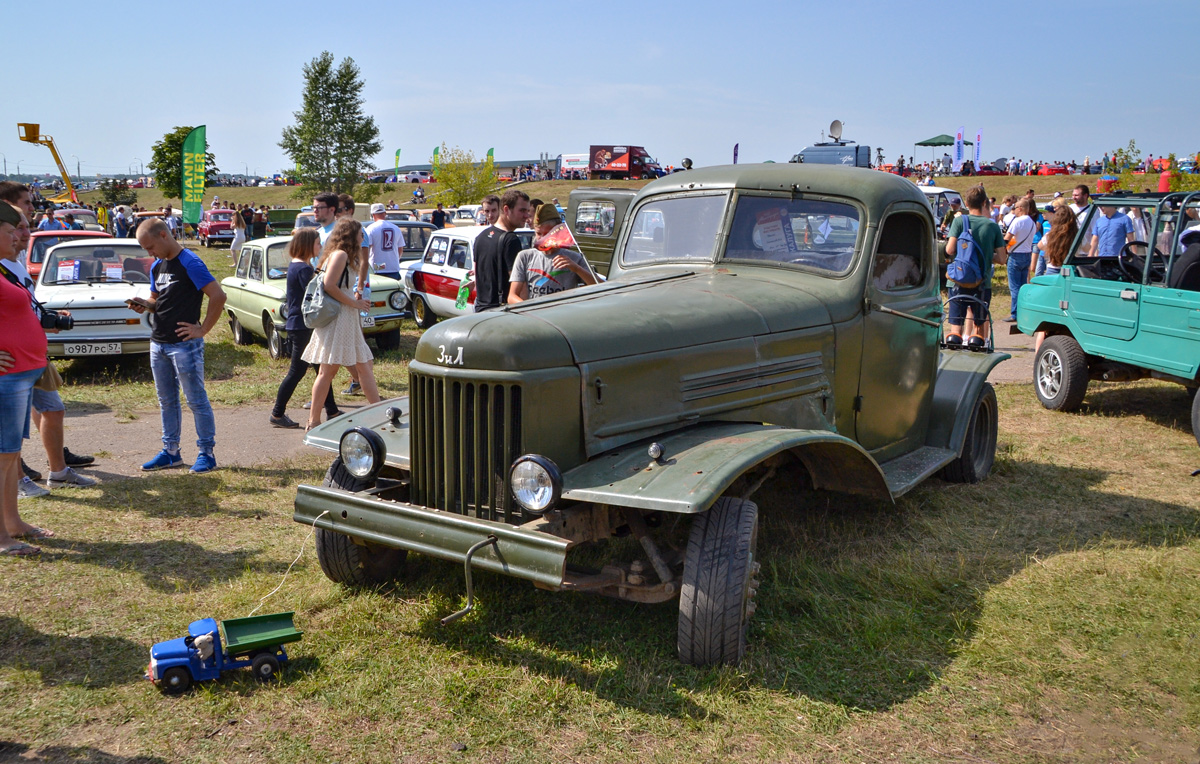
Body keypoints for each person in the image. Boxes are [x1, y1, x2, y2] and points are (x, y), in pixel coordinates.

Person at [129, 219, 226, 474]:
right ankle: (171, 452)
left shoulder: (190, 262)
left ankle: (207, 453)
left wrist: (203, 329)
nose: (149, 253)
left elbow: (218, 295)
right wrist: (145, 304)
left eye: (150, 247)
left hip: (184, 345)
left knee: (196, 400)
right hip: (158, 343)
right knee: (167, 401)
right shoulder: (157, 266)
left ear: (164, 235)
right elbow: (156, 299)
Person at [0, 201, 53, 555]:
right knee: (2, 457)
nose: (17, 237)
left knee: (9, 456)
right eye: (9, 232)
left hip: (21, 374)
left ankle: (13, 523)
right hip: (7, 380)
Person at [301, 219, 381, 430]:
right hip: (338, 318)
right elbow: (328, 286)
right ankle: (313, 420)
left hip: (346, 317)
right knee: (328, 371)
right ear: (351, 234)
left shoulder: (342, 255)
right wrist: (355, 301)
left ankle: (380, 412)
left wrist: (356, 296)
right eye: (360, 234)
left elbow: (340, 284)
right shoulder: (340, 254)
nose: (363, 237)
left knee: (363, 366)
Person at [269, 229, 341, 428]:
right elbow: (319, 293)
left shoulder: (298, 265)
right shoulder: (303, 269)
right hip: (302, 326)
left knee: (321, 368)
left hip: (300, 324)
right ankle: (277, 414)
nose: (320, 247)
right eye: (318, 243)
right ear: (308, 245)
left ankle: (332, 410)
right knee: (298, 371)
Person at [944, 185, 1006, 350]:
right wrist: (986, 255)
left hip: (958, 280)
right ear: (984, 202)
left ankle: (954, 355)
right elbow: (1002, 258)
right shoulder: (992, 226)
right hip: (981, 283)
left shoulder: (959, 221)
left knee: (955, 328)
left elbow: (949, 250)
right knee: (978, 329)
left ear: (967, 203)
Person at [508, 204, 596, 303]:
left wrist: (577, 269)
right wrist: (528, 309)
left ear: (557, 232)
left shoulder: (574, 258)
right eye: (538, 234)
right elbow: (512, 296)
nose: (542, 239)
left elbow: (599, 287)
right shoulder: (525, 256)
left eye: (547, 234)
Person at [474, 189, 532, 312]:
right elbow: (519, 284)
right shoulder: (510, 240)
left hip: (480, 309)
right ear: (506, 210)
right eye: (522, 210)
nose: (526, 216)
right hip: (501, 313)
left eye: (527, 211)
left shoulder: (480, 237)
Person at [1002, 198, 1037, 322]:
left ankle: (1015, 313)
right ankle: (1024, 312)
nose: (1014, 210)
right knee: (1023, 286)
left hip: (1016, 255)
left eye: (1015, 207)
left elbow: (1007, 239)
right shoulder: (1032, 222)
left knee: (1015, 287)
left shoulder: (1017, 221)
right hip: (1027, 254)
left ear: (1020, 208)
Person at [365, 202, 404, 280]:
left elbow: (366, 249)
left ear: (373, 215)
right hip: (393, 267)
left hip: (377, 268)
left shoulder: (371, 229)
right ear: (385, 213)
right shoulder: (396, 228)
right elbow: (400, 249)